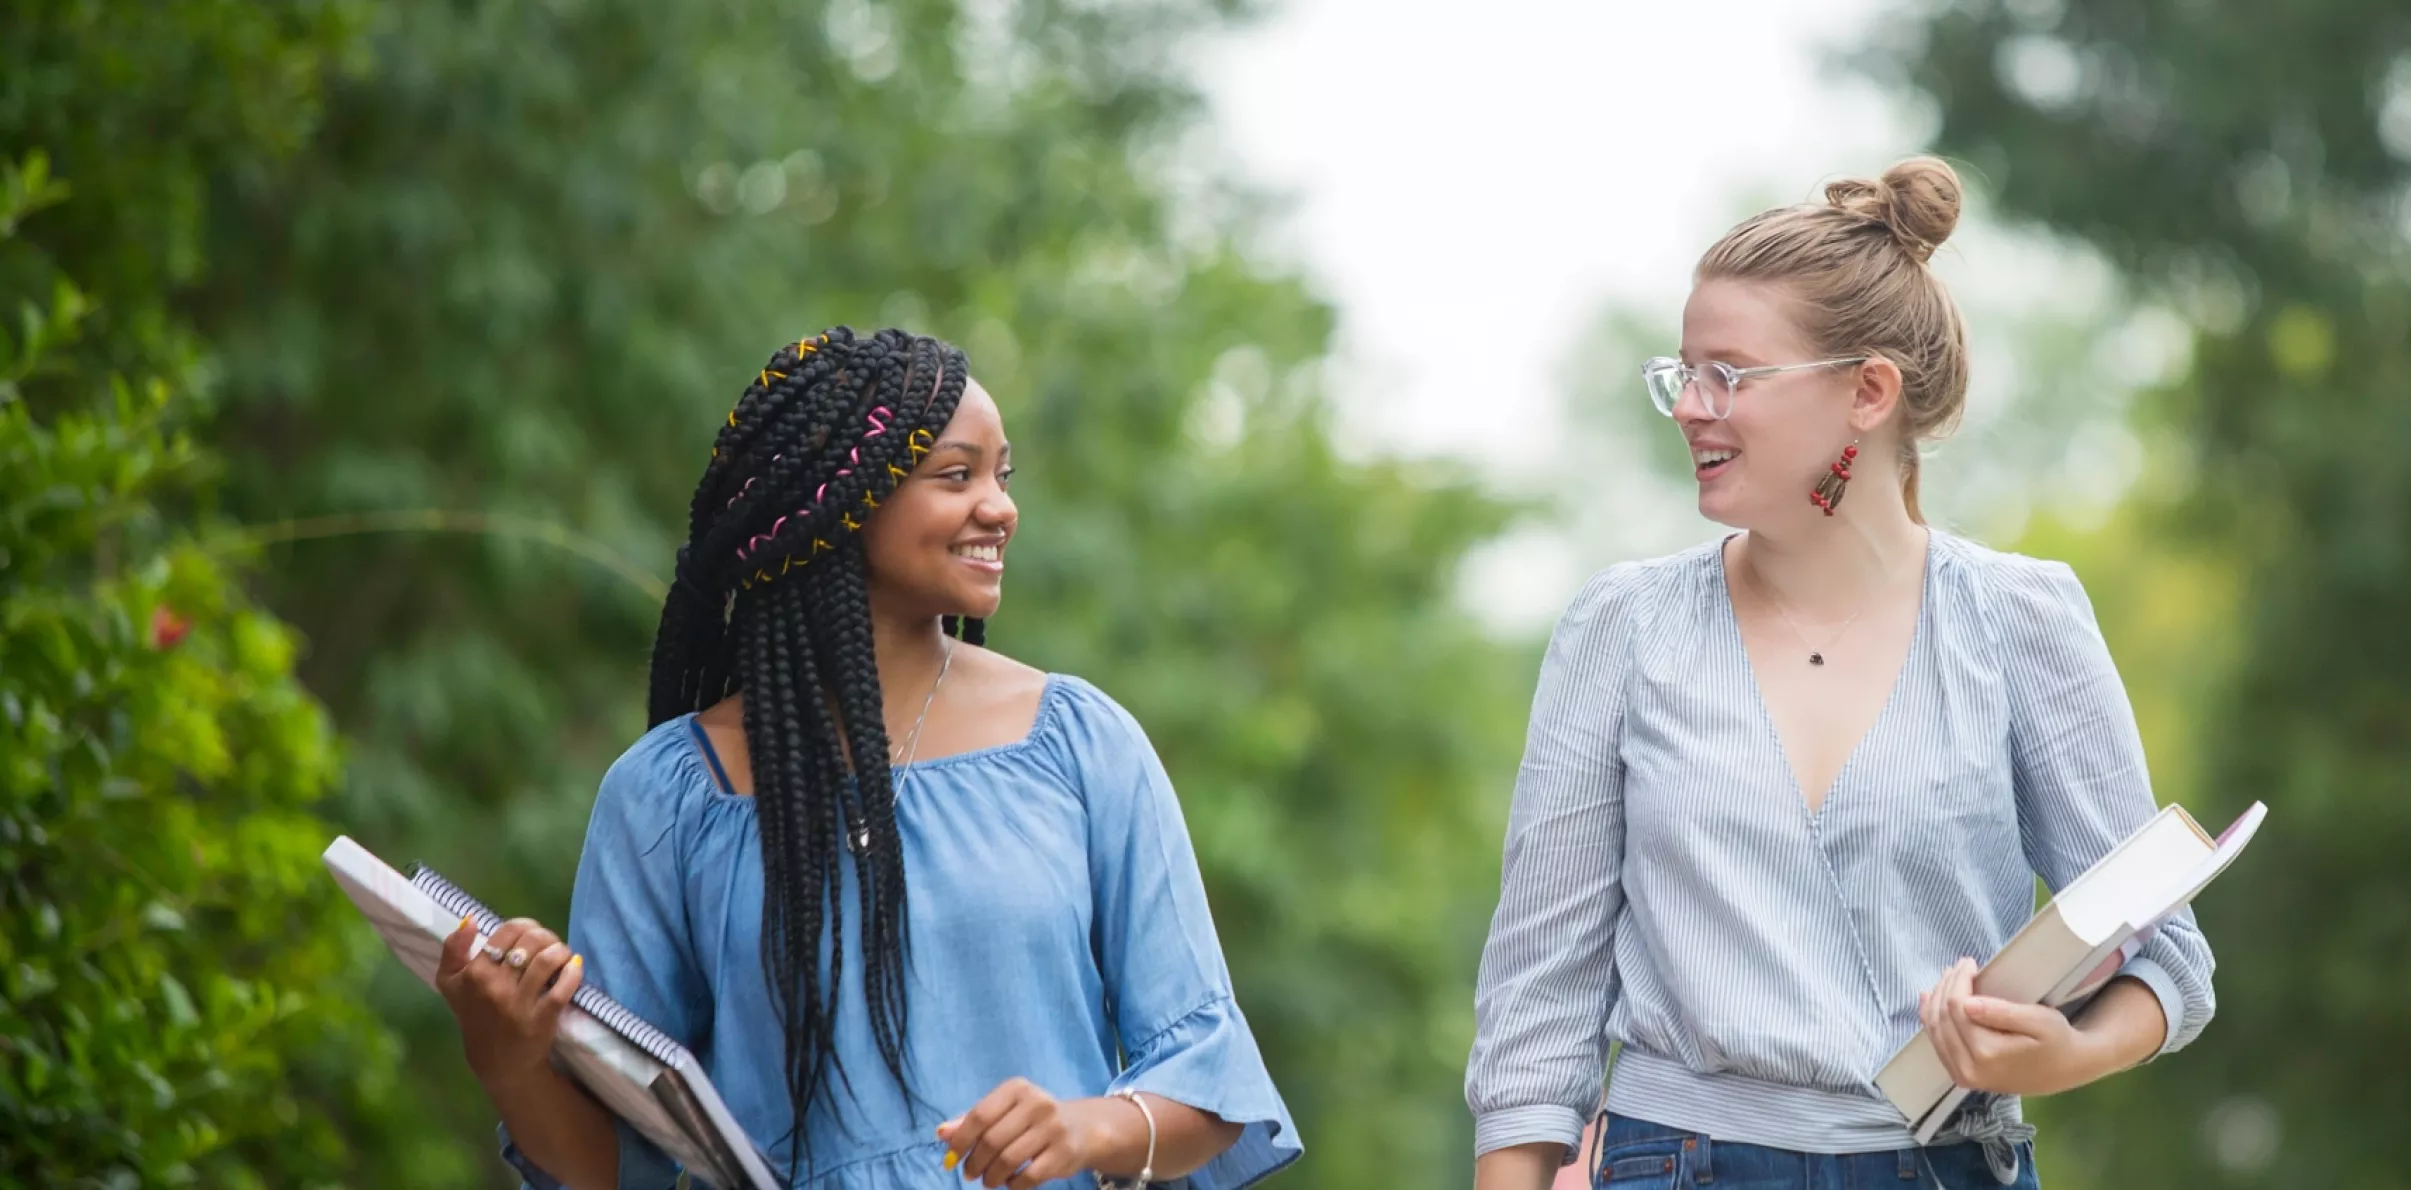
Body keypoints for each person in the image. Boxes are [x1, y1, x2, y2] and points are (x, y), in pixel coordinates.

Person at [1464, 158, 2217, 1190]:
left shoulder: (2021, 622)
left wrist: (2068, 1049)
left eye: (1728, 372)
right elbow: (1534, 1012)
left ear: (1868, 391)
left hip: (1950, 1163)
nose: (1688, 405)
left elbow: (2165, 956)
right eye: (1680, 371)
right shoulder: (1622, 629)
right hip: (1668, 1163)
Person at [435, 327, 1300, 1190]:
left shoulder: (1077, 743)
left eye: (1002, 476)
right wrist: (507, 1061)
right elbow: (622, 1170)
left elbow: (1208, 1082)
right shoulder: (667, 797)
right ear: (839, 499)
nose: (999, 507)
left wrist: (1084, 1127)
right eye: (956, 476)